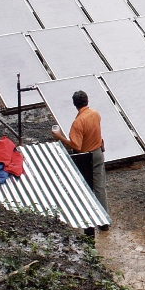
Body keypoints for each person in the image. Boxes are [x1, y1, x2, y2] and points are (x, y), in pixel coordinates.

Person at [51, 90, 109, 232]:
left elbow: (76, 145)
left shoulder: (78, 122)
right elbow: (96, 130)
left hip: (85, 158)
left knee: (85, 189)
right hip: (98, 153)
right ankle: (104, 221)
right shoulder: (95, 113)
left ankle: (88, 220)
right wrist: (100, 142)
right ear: (87, 101)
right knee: (100, 187)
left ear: (75, 104)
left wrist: (59, 137)